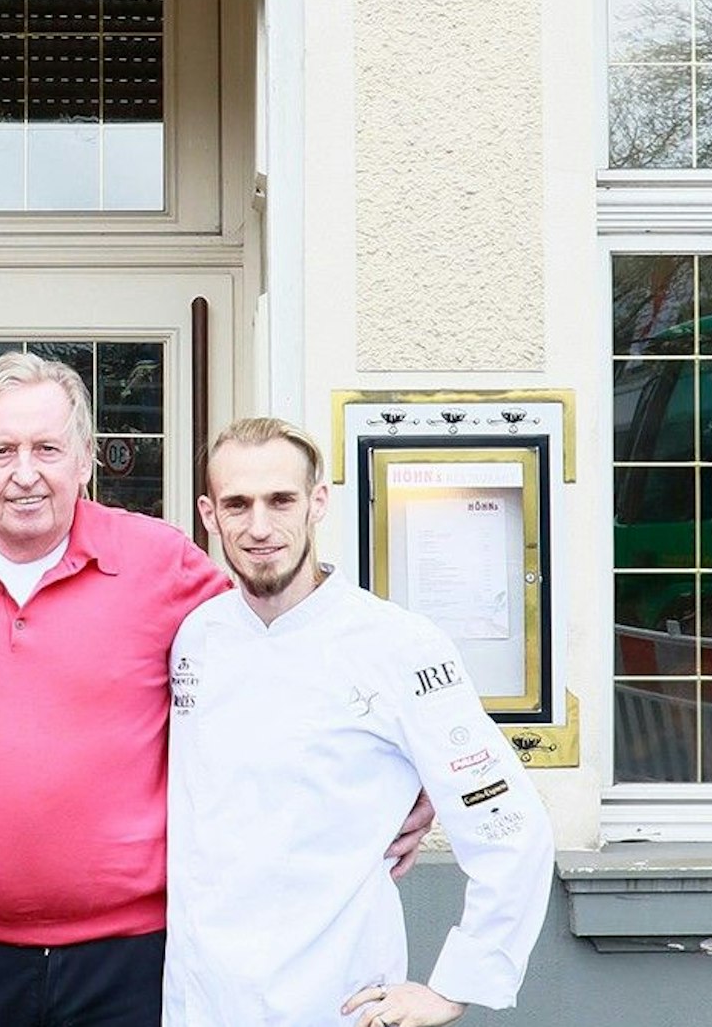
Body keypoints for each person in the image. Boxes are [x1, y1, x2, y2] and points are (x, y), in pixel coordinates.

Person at [0, 353, 433, 1027]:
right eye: (1, 450)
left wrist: (405, 765)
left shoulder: (158, 560)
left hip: (131, 955)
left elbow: (287, 650)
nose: (24, 472)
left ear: (84, 461)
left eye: (48, 448)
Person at [163, 418, 554, 1027]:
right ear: (210, 516)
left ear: (317, 503)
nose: (259, 526)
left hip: (340, 1000)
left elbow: (507, 822)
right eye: (238, 504)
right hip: (203, 999)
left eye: (281, 500)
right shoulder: (196, 637)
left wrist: (456, 984)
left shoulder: (400, 645)